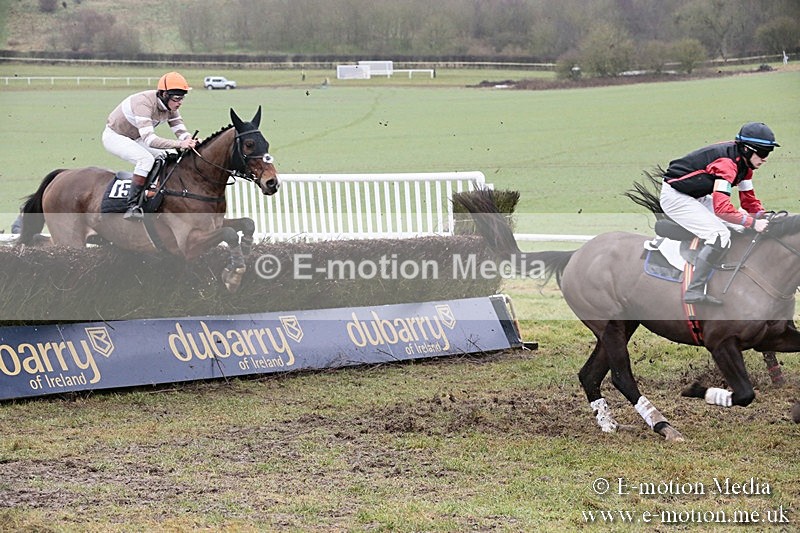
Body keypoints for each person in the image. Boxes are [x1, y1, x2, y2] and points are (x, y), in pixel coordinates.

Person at [660, 122, 779, 305]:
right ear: (746, 150)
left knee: (740, 227)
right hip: (676, 197)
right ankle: (694, 290)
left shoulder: (745, 167)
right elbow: (722, 210)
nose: (765, 159)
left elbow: (748, 202)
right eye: (763, 153)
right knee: (719, 235)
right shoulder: (727, 165)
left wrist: (762, 216)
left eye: (769, 153)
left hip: (696, 196)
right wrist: (754, 223)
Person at [102, 71, 198, 220]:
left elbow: (180, 131)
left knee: (165, 155)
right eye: (177, 98)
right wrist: (180, 144)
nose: (180, 103)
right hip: (115, 137)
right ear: (164, 94)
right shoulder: (144, 103)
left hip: (136, 137)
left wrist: (191, 141)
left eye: (182, 98)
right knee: (145, 159)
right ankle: (133, 205)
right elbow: (150, 140)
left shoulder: (170, 107)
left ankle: (151, 191)